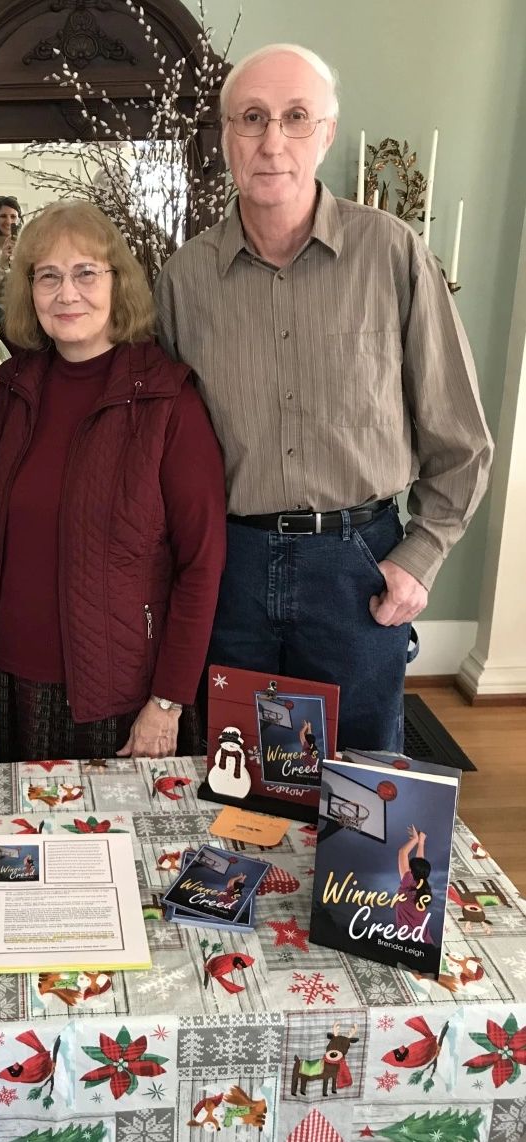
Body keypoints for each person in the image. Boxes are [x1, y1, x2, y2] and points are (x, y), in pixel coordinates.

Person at [154, 44, 493, 752]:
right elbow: (160, 447)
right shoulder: (184, 279)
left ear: (327, 133)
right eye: (250, 118)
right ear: (225, 138)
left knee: (362, 789)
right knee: (238, 778)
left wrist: (419, 556)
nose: (271, 140)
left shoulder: (390, 253)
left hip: (357, 566)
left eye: (295, 117)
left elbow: (460, 436)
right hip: (232, 567)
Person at [0, 200, 226, 761]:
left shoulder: (168, 400)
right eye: (48, 276)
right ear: (29, 291)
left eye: (86, 272)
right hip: (13, 684)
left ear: (119, 283)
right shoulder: (13, 391)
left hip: (124, 693)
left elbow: (202, 563)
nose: (67, 294)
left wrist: (166, 702)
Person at [395, 825, 433, 941]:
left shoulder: (407, 885)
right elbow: (419, 863)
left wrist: (415, 840)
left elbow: (402, 852)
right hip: (426, 943)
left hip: (409, 944)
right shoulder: (423, 886)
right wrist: (421, 842)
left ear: (411, 871)